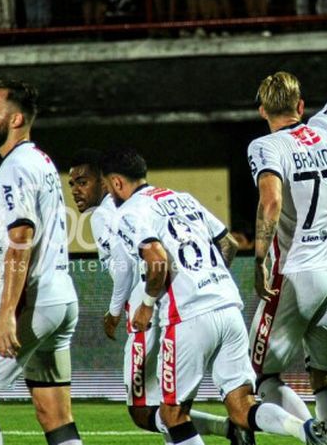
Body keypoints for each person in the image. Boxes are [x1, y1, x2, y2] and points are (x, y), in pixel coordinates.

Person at [103, 148, 327, 445]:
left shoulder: (130, 212)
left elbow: (156, 260)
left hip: (186, 317)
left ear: (118, 183)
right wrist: (207, 278)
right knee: (242, 406)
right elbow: (229, 243)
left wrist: (147, 305)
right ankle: (302, 428)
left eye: (109, 186)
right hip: (227, 306)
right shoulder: (182, 198)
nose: (110, 193)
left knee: (172, 413)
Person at [246, 0, 327, 445]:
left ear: (263, 111)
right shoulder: (325, 128)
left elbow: (270, 202)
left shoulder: (267, 147)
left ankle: (308, 433)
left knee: (259, 375)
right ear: (301, 104)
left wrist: (260, 258)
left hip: (295, 276)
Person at [68, 149, 254, 445]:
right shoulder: (156, 200)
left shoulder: (106, 215)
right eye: (72, 184)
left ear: (107, 183)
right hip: (195, 306)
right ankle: (235, 429)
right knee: (170, 406)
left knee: (147, 410)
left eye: (83, 181)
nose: (76, 190)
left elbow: (126, 271)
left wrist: (116, 311)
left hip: (152, 315)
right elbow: (225, 243)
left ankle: (228, 430)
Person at [0, 80, 83, 445]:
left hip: (33, 301)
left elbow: (20, 240)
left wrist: (8, 309)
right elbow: (17, 248)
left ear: (16, 119)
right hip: (61, 299)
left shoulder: (15, 167)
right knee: (54, 415)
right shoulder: (40, 161)